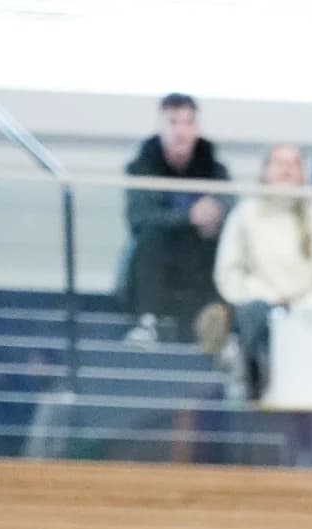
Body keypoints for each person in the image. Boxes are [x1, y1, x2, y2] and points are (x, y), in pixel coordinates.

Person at [211, 144, 312, 399]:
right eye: (279, 162)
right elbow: (229, 274)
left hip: (310, 310)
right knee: (254, 316)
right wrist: (269, 298)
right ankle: (258, 387)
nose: (286, 169)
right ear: (265, 171)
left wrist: (303, 303)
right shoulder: (245, 214)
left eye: (293, 163)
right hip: (258, 307)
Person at [119, 93, 229, 345]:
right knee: (151, 238)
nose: (181, 131)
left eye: (188, 123)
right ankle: (147, 324)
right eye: (173, 122)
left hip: (199, 259)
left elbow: (229, 209)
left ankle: (220, 334)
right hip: (157, 260)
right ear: (159, 126)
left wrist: (215, 218)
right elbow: (139, 220)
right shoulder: (140, 168)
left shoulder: (216, 170)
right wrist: (189, 217)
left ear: (197, 128)